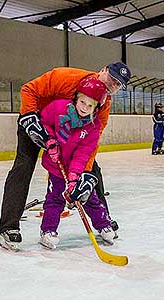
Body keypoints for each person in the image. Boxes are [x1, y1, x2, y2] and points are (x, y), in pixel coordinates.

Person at [0, 62, 131, 250]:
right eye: (112, 78)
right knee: (23, 166)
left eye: (118, 84)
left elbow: (92, 142)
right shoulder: (67, 77)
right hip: (37, 121)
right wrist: (29, 115)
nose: (113, 85)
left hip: (68, 137)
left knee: (92, 171)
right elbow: (29, 89)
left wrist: (83, 173)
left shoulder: (104, 104)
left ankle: (104, 219)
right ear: (102, 70)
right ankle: (9, 226)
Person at [38, 78, 115, 249]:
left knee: (89, 196)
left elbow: (82, 154)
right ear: (75, 98)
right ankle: (47, 231)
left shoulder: (93, 127)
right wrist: (50, 140)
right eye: (82, 102)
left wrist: (74, 177)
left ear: (96, 108)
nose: (84, 108)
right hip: (56, 165)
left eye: (90, 106)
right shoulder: (58, 108)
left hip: (76, 169)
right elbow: (44, 122)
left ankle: (103, 224)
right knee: (55, 197)